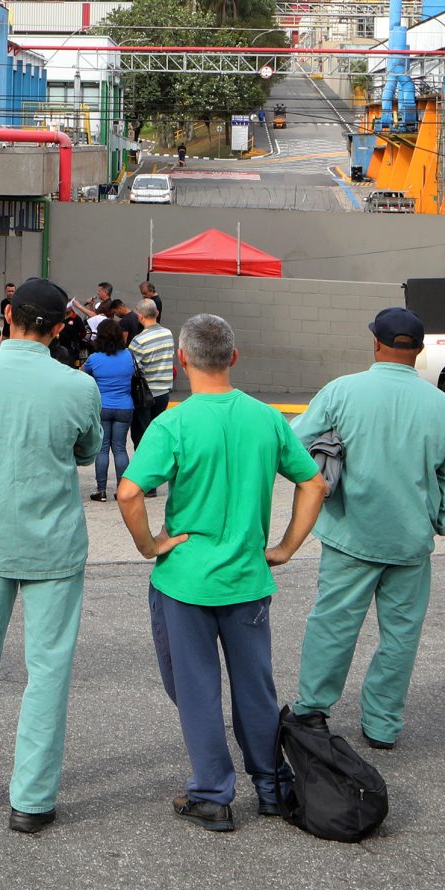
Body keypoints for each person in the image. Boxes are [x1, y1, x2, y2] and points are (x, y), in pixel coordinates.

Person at [119, 313, 326, 832]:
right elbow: (314, 483)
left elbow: (128, 493)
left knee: (195, 686)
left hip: (185, 580)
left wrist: (152, 546)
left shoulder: (173, 423)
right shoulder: (268, 418)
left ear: (182, 360)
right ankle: (271, 786)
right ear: (233, 358)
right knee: (255, 686)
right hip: (248, 579)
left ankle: (212, 793)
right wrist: (285, 546)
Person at [0, 278, 104, 832]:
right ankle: (30, 800)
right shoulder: (78, 387)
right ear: (59, 328)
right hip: (52, 545)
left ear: (6, 315)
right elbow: (87, 451)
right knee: (47, 671)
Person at [288, 307, 445, 751]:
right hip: (410, 542)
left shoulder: (343, 391)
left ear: (375, 343)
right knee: (400, 636)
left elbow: (293, 443)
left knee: (333, 625)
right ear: (420, 351)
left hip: (350, 534)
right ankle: (382, 725)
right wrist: (436, 520)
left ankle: (312, 711)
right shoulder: (442, 406)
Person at [82, 318, 145, 502]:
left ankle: (101, 491)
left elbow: (81, 375)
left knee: (102, 449)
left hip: (103, 407)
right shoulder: (128, 356)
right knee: (120, 448)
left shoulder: (94, 359)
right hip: (125, 407)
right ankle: (121, 490)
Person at [132, 298, 178, 416]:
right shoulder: (168, 333)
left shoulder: (138, 340)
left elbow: (132, 367)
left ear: (141, 316)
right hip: (164, 392)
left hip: (145, 393)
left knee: (142, 432)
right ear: (157, 313)